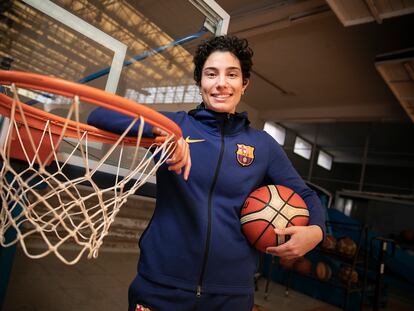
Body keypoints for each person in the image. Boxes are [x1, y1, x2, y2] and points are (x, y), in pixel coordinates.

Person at [88, 35, 325, 311]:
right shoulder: (176, 125)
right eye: (211, 74)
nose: (221, 83)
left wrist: (317, 231)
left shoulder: (264, 146)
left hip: (231, 294)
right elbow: (98, 115)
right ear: (200, 82)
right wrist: (160, 131)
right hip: (161, 284)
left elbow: (305, 194)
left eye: (232, 75)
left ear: (244, 84)